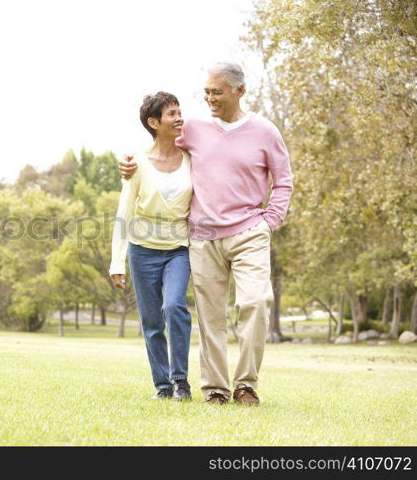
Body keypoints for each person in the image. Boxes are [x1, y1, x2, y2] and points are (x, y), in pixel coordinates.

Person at [118, 63, 293, 405]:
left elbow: (283, 180)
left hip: (249, 232)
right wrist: (128, 162)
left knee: (256, 303)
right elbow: (161, 147)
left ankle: (246, 385)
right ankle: (215, 389)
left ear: (239, 92)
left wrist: (270, 220)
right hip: (202, 235)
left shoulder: (265, 131)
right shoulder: (194, 127)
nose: (209, 98)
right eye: (207, 91)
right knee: (211, 317)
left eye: (217, 92)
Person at [109, 92, 194, 400]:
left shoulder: (191, 157)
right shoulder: (137, 163)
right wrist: (117, 262)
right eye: (172, 114)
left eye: (180, 111)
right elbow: (124, 211)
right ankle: (163, 386)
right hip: (142, 249)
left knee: (174, 307)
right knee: (152, 322)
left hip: (178, 249)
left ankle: (180, 381)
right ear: (154, 123)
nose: (179, 118)